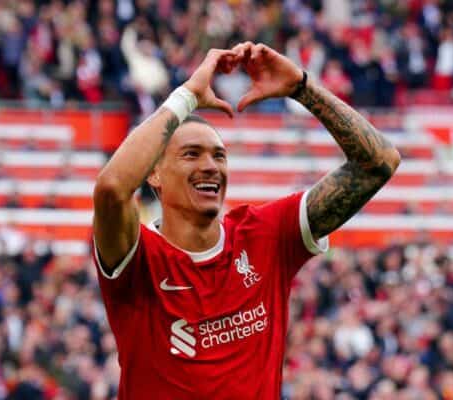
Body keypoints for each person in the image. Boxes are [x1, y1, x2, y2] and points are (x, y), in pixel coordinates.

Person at [92, 42, 401, 399]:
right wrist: (187, 96)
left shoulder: (265, 234)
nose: (210, 166)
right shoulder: (138, 258)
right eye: (191, 154)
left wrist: (303, 88)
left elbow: (378, 163)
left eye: (219, 156)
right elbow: (112, 187)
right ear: (154, 174)